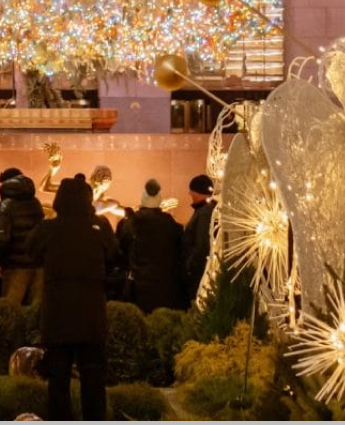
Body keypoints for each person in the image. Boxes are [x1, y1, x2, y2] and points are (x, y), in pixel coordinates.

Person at [28, 175, 116, 423]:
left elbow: (31, 251)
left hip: (58, 314)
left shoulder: (48, 228)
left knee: (58, 379)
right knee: (93, 378)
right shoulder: (100, 226)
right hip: (91, 314)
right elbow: (114, 254)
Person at [118, 179, 184, 312]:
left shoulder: (130, 224)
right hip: (166, 288)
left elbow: (121, 252)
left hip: (138, 288)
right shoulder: (171, 225)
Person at [0, 165, 45, 305]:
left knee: (11, 309)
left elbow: (1, 239)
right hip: (37, 265)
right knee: (34, 310)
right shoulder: (36, 203)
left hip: (15, 266)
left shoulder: (5, 205)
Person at [182, 173, 216, 302]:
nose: (190, 194)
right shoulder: (206, 210)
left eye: (192, 191)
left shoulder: (205, 212)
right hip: (200, 271)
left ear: (199, 192)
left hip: (199, 274)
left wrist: (190, 267)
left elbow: (202, 245)